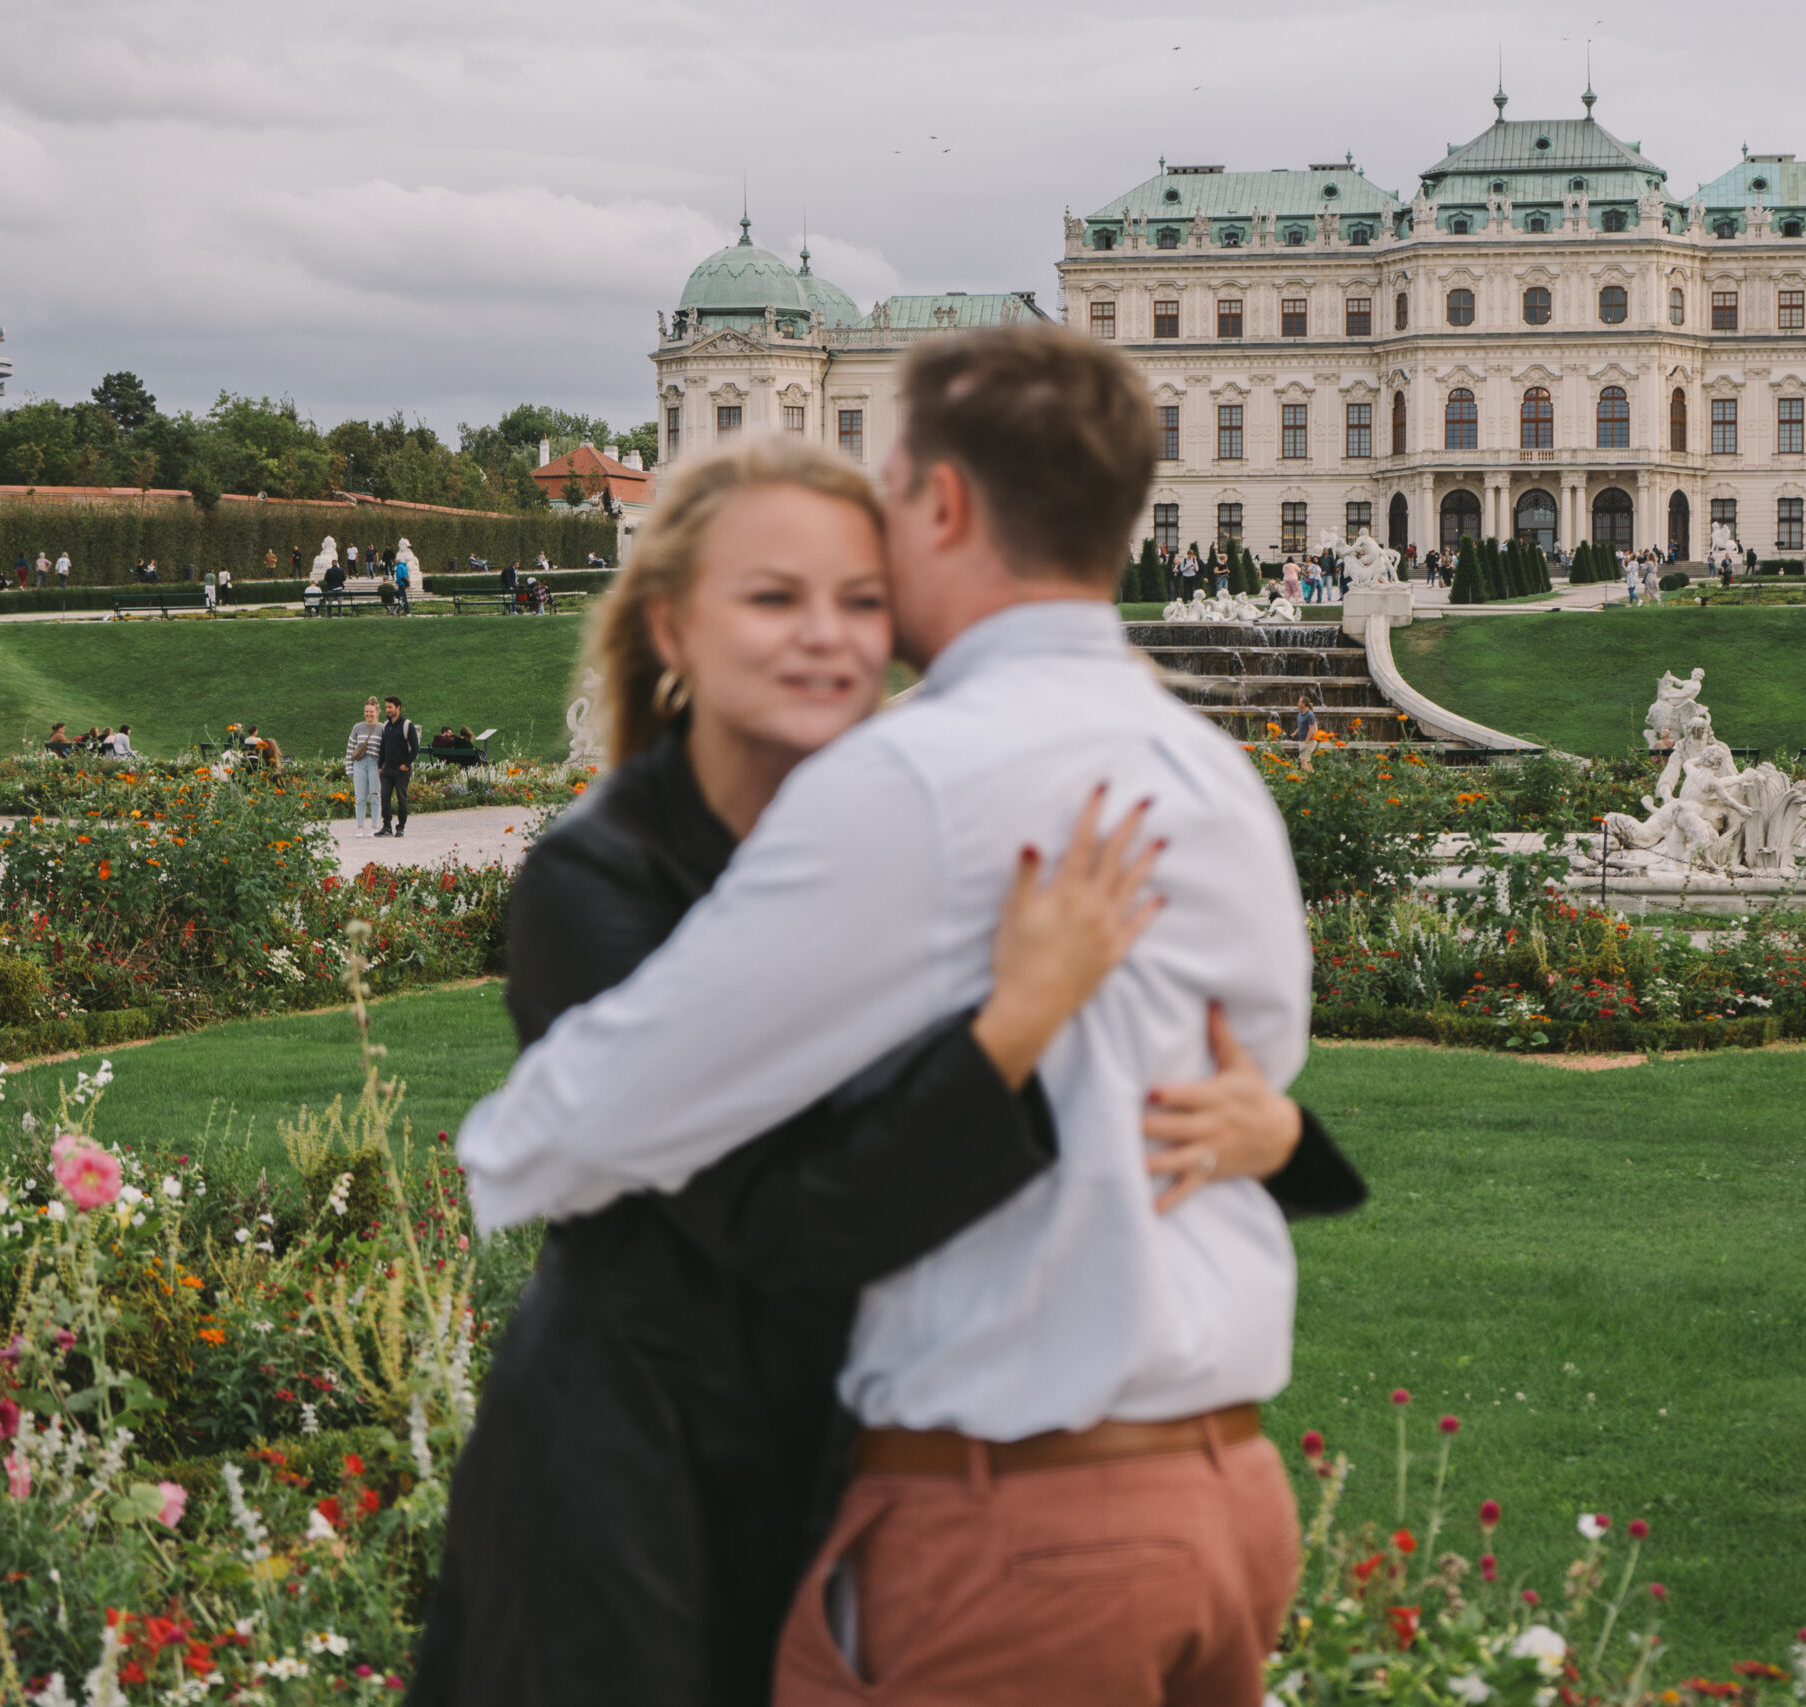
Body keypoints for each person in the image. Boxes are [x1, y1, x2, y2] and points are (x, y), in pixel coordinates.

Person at [458, 326, 1367, 1706]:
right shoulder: (1208, 764)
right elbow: (1237, 1073)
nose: (838, 619)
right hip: (1222, 1497)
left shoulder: (915, 780)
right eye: (774, 595)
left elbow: (553, 1138)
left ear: (939, 506)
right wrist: (1116, 1070)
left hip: (1017, 1523)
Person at [376, 695, 417, 836]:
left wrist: (406, 765)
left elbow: (415, 748)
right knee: (384, 797)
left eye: (390, 707)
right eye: (386, 707)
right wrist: (380, 766)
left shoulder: (407, 725)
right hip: (387, 769)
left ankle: (400, 828)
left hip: (401, 770)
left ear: (398, 708)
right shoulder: (386, 726)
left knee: (402, 799)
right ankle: (387, 826)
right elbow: (383, 747)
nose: (387, 710)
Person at [345, 699, 383, 834]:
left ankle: (374, 826)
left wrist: (383, 767)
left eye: (371, 712)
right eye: (366, 711)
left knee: (375, 795)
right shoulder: (357, 727)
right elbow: (350, 748)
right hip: (359, 764)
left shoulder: (381, 728)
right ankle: (359, 827)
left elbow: (385, 750)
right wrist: (349, 768)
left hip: (375, 764)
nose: (369, 714)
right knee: (360, 797)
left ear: (377, 712)